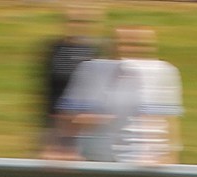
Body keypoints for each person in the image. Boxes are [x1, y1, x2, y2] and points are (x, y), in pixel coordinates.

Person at [57, 25, 183, 166]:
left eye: (137, 45)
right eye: (122, 44)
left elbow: (169, 121)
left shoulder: (161, 72)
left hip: (145, 164)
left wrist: (171, 156)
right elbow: (68, 118)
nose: (128, 50)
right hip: (96, 160)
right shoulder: (91, 70)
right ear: (111, 46)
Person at [38, 6, 106, 158]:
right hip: (56, 123)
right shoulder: (54, 50)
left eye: (83, 22)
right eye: (74, 21)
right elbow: (46, 91)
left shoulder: (94, 52)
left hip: (84, 125)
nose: (78, 26)